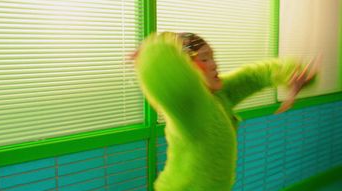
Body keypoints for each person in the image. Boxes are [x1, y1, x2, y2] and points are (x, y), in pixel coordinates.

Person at [133, 32, 317, 191]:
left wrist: (291, 73)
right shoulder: (189, 108)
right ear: (185, 70)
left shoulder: (220, 94)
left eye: (212, 57)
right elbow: (167, 82)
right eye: (204, 59)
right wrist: (153, 56)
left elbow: (253, 76)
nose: (214, 64)